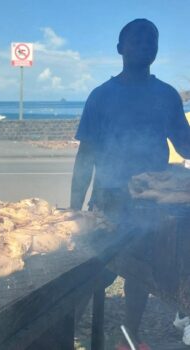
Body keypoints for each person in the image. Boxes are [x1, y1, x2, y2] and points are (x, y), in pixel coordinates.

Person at [70, 19, 190, 349]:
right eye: (135, 40)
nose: (143, 45)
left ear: (157, 50)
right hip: (108, 199)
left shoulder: (166, 95)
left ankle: (130, 337)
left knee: (141, 272)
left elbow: (184, 144)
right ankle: (66, 333)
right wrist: (74, 207)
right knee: (93, 268)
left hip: (153, 202)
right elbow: (85, 157)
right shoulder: (101, 96)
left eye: (151, 40)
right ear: (120, 48)